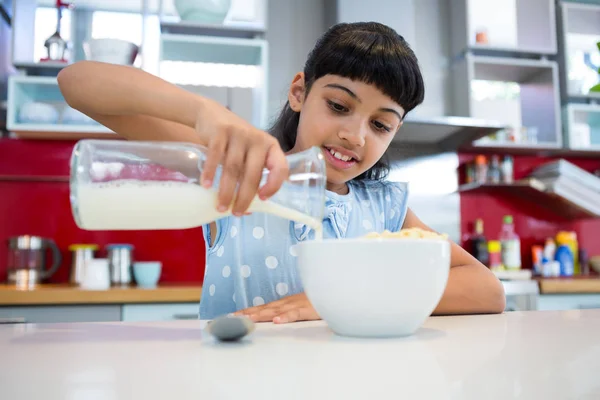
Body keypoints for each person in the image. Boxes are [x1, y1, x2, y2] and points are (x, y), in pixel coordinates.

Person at [58, 21, 506, 323]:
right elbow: (77, 85)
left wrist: (338, 304)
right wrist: (204, 113)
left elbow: (487, 291)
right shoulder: (236, 170)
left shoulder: (386, 210)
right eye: (338, 105)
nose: (354, 135)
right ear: (299, 92)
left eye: (380, 124)